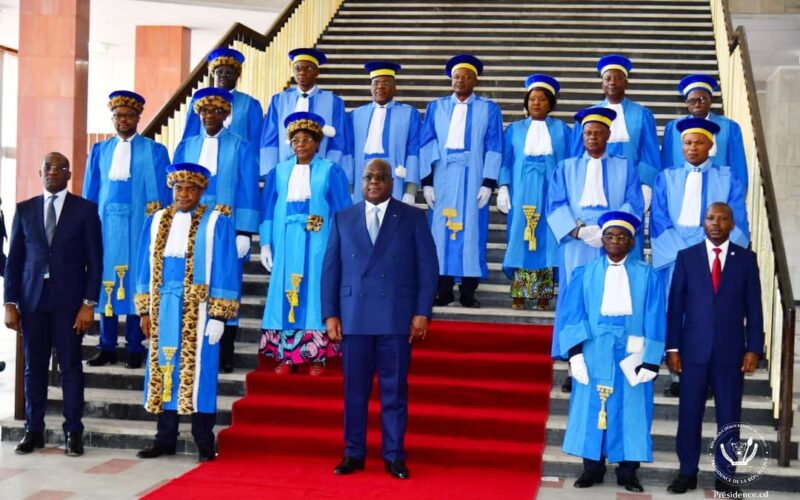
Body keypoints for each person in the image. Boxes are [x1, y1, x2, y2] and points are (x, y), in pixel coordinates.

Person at [321, 158, 438, 480]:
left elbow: (428, 268)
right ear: (361, 181)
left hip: (395, 318)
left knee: (394, 392)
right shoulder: (343, 218)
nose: (374, 182)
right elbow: (330, 270)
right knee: (354, 393)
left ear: (391, 182)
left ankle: (394, 455)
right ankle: (353, 453)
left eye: (381, 177)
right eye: (368, 177)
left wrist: (422, 312)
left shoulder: (412, 217)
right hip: (354, 318)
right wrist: (330, 313)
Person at [134, 162, 240, 463]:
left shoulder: (216, 222)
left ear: (201, 191)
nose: (183, 194)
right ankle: (164, 438)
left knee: (200, 374)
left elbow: (226, 269)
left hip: (200, 310)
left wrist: (219, 315)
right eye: (179, 188)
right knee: (164, 368)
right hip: (163, 307)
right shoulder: (156, 221)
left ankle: (204, 440)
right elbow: (143, 267)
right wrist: (144, 311)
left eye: (190, 189)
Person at [556, 211, 665, 493]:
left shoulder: (648, 276)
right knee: (591, 409)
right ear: (602, 241)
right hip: (594, 349)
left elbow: (654, 318)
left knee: (631, 411)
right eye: (610, 236)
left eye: (622, 237)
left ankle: (628, 471)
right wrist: (575, 355)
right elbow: (573, 315)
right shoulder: (584, 274)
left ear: (632, 242)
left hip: (632, 351)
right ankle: (592, 468)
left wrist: (651, 361)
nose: (615, 241)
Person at [4, 152, 103, 457]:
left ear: (69, 175)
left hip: (70, 305)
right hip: (32, 302)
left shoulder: (85, 210)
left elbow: (95, 262)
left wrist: (88, 304)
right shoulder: (24, 210)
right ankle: (33, 431)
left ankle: (73, 433)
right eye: (48, 166)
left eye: (60, 167)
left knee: (70, 367)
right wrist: (9, 303)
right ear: (40, 172)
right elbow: (14, 262)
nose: (54, 171)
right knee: (33, 368)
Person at [665, 202, 763, 495]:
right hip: (692, 352)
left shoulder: (746, 260)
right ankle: (687, 472)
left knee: (729, 416)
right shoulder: (687, 257)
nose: (716, 223)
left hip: (731, 354)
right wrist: (672, 348)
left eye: (722, 219)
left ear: (732, 224)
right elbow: (675, 307)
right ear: (703, 222)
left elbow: (754, 309)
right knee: (689, 414)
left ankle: (726, 476)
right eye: (710, 218)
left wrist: (753, 348)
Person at [173, 87, 259, 373]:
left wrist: (245, 230)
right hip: (192, 224)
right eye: (205, 111)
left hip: (227, 225)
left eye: (216, 111)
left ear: (226, 114)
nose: (210, 116)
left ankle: (225, 352)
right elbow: (175, 190)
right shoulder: (186, 146)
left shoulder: (241, 145)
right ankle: (192, 345)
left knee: (226, 283)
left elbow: (248, 188)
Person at [259, 112, 351, 375]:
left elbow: (343, 211)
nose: (300, 145)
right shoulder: (278, 172)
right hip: (285, 243)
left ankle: (317, 355)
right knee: (284, 296)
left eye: (307, 140)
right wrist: (265, 243)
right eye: (295, 140)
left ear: (317, 142)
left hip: (318, 244)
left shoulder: (331, 170)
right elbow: (268, 210)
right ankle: (286, 355)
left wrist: (341, 244)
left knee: (315, 295)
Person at [83, 90, 170, 369]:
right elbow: (90, 193)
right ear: (112, 118)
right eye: (118, 115)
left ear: (138, 118)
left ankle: (134, 346)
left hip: (140, 227)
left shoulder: (155, 151)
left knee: (136, 282)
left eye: (129, 115)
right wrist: (86, 226)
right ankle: (106, 346)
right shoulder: (99, 151)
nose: (123, 120)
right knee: (106, 282)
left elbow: (165, 193)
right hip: (106, 228)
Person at [419, 54, 503, 308]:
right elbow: (427, 143)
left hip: (473, 176)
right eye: (457, 76)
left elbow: (494, 145)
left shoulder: (489, 108)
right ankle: (443, 289)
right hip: (443, 176)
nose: (461, 81)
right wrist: (427, 182)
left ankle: (469, 290)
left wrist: (488, 182)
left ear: (475, 80)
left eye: (466, 77)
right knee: (440, 232)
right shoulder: (436, 107)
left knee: (472, 232)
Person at [651, 117, 749, 293]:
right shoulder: (666, 178)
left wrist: (711, 252)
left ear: (710, 145)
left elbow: (738, 220)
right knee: (676, 303)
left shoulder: (728, 179)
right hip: (676, 257)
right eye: (687, 143)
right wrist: (686, 255)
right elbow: (659, 219)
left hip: (715, 258)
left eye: (699, 143)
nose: (693, 148)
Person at [497, 74, 571, 311]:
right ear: (526, 103)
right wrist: (503, 186)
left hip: (550, 192)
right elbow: (506, 161)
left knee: (547, 241)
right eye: (532, 99)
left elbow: (568, 163)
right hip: (521, 191)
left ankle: (542, 295)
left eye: (542, 99)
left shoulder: (562, 130)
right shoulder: (514, 130)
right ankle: (520, 292)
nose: (536, 103)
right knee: (522, 237)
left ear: (550, 103)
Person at [569, 54, 660, 210]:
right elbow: (576, 154)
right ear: (602, 84)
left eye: (618, 78)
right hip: (594, 183)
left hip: (632, 185)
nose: (612, 82)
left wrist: (645, 186)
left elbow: (650, 154)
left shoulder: (642, 114)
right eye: (608, 78)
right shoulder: (587, 116)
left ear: (626, 83)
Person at [259, 48, 347, 177]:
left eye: (308, 68)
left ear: (317, 72)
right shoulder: (279, 100)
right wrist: (271, 171)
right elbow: (270, 137)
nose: (302, 73)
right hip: (286, 167)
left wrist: (329, 170)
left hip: (319, 168)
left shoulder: (333, 102)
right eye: (298, 68)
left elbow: (339, 139)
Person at [346, 61, 420, 203]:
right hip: (363, 175)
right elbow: (348, 153)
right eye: (376, 83)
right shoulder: (356, 115)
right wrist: (349, 188)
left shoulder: (409, 114)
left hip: (394, 176)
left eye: (386, 83)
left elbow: (413, 152)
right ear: (370, 87)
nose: (380, 87)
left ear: (394, 87)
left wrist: (410, 189)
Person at [660, 74, 748, 190]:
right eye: (692, 101)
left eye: (702, 99)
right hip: (682, 189)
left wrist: (737, 194)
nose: (697, 104)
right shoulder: (673, 128)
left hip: (719, 190)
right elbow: (666, 165)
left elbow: (738, 168)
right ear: (686, 103)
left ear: (711, 101)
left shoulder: (729, 128)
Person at [181, 48, 264, 153]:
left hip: (237, 157)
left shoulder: (250, 104)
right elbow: (190, 135)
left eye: (229, 72)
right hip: (204, 155)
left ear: (237, 75)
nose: (223, 75)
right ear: (212, 74)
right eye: (219, 72)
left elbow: (256, 141)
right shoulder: (200, 100)